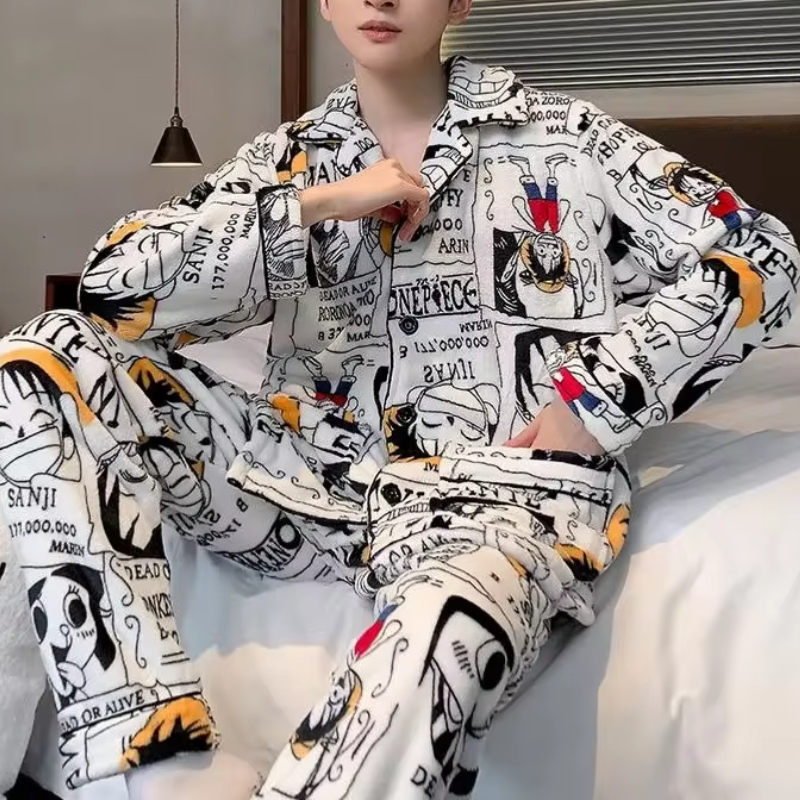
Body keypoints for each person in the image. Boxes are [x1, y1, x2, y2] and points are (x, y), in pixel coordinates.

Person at [0, 0, 797, 798]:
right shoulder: (292, 157)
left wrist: (590, 405)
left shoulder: (569, 137)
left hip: (494, 501)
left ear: (459, 2)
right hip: (294, 485)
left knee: (443, 637)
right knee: (41, 354)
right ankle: (152, 765)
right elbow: (111, 289)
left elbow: (762, 253)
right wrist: (320, 204)